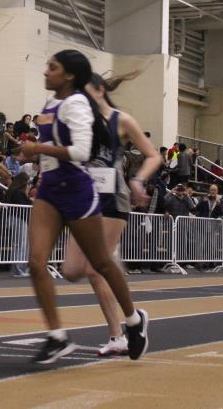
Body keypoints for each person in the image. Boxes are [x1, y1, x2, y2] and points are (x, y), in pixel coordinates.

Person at [20, 50, 148, 364]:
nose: (45, 72)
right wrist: (36, 155)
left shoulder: (77, 103)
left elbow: (81, 151)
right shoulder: (50, 102)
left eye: (52, 67)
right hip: (50, 188)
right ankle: (57, 336)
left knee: (101, 263)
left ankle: (134, 321)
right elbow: (53, 145)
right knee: (36, 262)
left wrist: (38, 147)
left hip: (77, 190)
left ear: (69, 75)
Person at [57, 71, 155, 357]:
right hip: (85, 197)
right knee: (72, 270)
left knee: (94, 268)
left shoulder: (121, 120)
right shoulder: (79, 123)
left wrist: (138, 180)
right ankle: (127, 323)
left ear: (100, 91)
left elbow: (153, 155)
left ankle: (120, 332)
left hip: (113, 198)